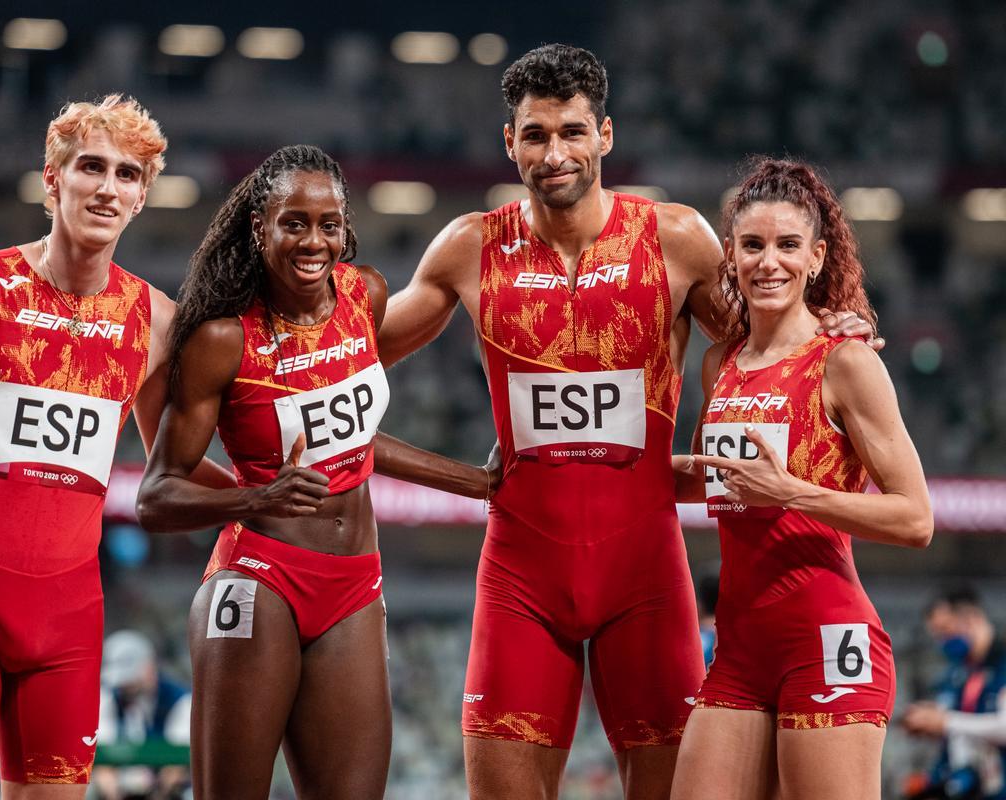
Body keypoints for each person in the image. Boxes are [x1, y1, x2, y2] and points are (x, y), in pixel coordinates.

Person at [375, 44, 876, 799]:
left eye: (572, 131)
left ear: (604, 137)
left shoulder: (676, 239)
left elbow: (769, 344)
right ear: (509, 143)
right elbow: (341, 358)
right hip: (520, 578)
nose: (555, 153)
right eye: (536, 134)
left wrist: (842, 330)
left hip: (646, 577)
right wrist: (459, 479)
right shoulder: (470, 246)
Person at [0, 94, 233, 799]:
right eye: (90, 167)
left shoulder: (158, 321)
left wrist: (263, 499)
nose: (107, 187)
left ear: (142, 197)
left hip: (69, 620)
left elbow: (174, 467)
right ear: (52, 179)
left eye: (127, 175)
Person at [134, 144, 494, 800]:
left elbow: (351, 437)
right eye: (293, 222)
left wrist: (472, 480)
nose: (313, 240)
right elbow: (155, 495)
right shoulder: (222, 341)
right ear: (258, 228)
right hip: (259, 578)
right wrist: (254, 496)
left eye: (329, 224)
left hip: (354, 586)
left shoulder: (366, 295)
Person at [667, 157, 933, 800]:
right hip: (739, 650)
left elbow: (915, 518)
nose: (769, 263)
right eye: (753, 246)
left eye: (788, 246)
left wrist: (789, 490)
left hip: (829, 638)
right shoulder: (719, 363)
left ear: (816, 258)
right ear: (729, 256)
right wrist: (577, 461)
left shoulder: (846, 362)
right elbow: (716, 479)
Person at [902, 587, 1006, 800]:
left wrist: (946, 722)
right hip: (972, 786)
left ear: (971, 618)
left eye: (945, 631)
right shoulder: (958, 673)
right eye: (937, 635)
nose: (943, 642)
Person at [95, 629, 192, 800]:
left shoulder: (180, 701)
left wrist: (158, 794)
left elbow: (176, 764)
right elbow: (102, 760)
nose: (125, 685)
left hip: (164, 790)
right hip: (120, 787)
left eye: (130, 678)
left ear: (149, 667)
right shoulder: (109, 697)